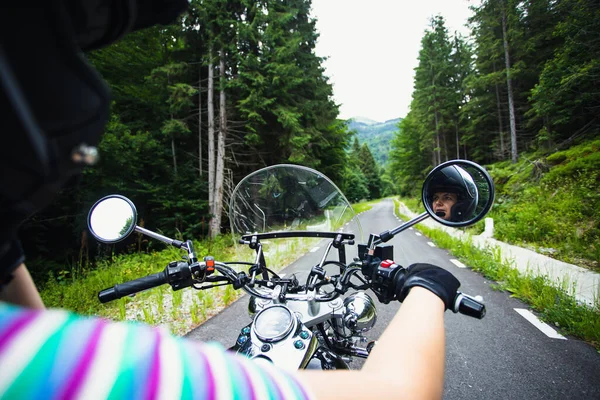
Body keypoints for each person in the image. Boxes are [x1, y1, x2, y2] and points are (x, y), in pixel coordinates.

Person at [0, 2, 463, 399]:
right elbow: (393, 392)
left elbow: (26, 315)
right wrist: (429, 288)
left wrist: (6, 253)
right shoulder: (37, 364)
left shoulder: (21, 352)